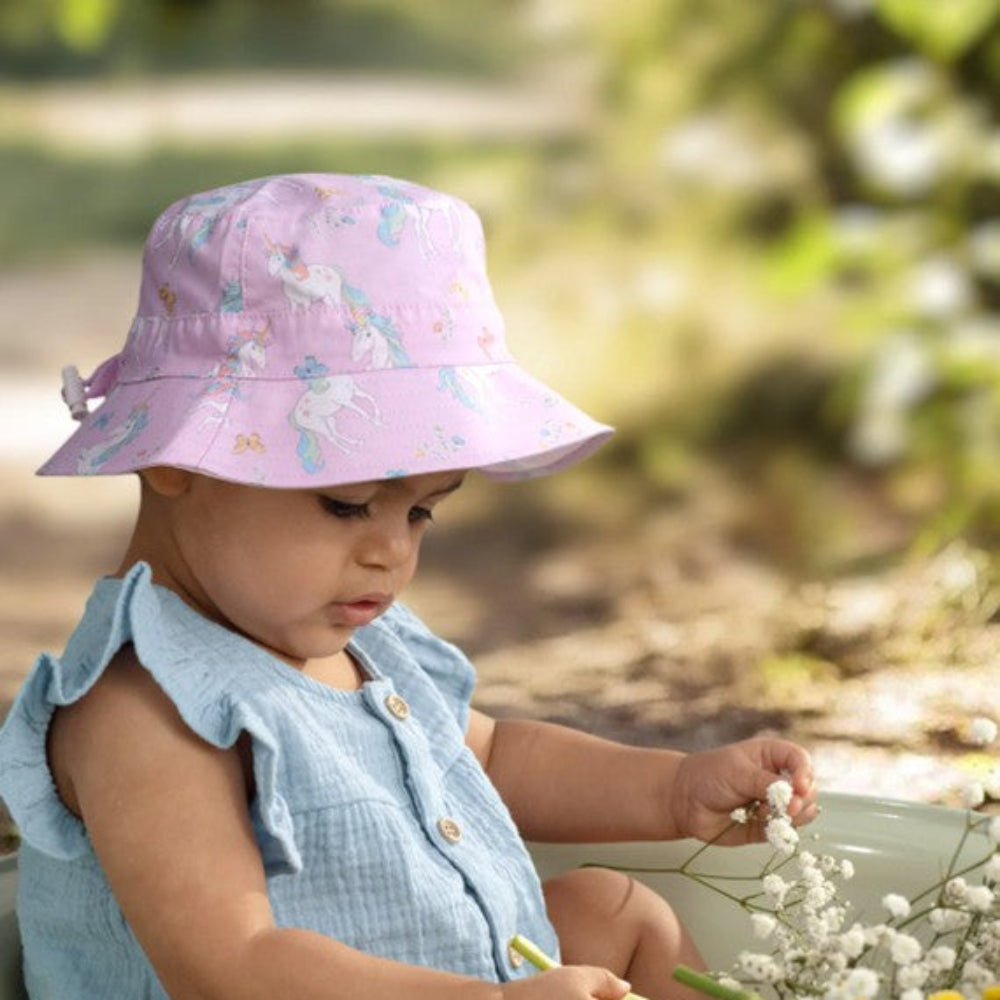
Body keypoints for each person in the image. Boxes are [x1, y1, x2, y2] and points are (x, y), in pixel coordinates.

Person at [0, 173, 817, 1000]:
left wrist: (675, 791)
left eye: (423, 511)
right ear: (181, 455)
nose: (390, 550)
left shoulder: (355, 636)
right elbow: (234, 968)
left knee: (621, 914)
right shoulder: (143, 710)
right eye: (348, 504)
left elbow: (493, 757)